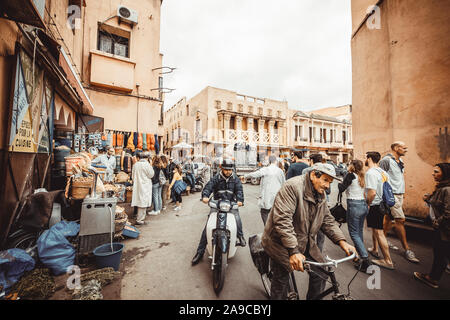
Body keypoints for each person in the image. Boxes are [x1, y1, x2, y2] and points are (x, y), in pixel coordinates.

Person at [262, 163, 355, 300]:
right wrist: (293, 251)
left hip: (304, 240)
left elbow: (327, 219)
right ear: (313, 175)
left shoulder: (320, 193)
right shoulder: (292, 187)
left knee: (322, 273)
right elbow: (283, 221)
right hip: (280, 242)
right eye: (325, 180)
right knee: (281, 279)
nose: (328, 186)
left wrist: (342, 242)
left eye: (330, 182)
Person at [191, 159, 246, 266]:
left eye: (230, 170)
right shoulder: (216, 178)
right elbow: (208, 187)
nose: (228, 172)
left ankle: (240, 236)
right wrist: (205, 196)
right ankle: (200, 252)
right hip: (217, 205)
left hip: (231, 205)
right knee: (208, 227)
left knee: (237, 219)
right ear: (222, 168)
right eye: (226, 169)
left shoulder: (236, 179)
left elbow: (239, 190)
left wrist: (240, 200)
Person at [379, 142, 420, 263]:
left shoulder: (400, 161)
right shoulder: (386, 160)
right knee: (400, 220)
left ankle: (383, 240)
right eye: (404, 148)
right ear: (396, 148)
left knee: (387, 218)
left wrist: (402, 192)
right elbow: (380, 177)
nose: (406, 150)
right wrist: (386, 194)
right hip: (391, 194)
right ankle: (407, 249)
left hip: (399, 194)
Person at [414, 163, 450, 288]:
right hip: (441, 229)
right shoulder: (442, 187)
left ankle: (433, 278)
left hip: (444, 230)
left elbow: (448, 213)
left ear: (445, 173)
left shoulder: (447, 189)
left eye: (436, 172)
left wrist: (437, 223)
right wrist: (429, 198)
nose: (433, 174)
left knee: (440, 254)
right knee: (440, 253)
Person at [338, 160, 371, 272]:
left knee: (353, 233)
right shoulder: (362, 176)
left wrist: (340, 183)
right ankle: (358, 255)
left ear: (352, 166)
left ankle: (366, 260)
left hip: (354, 205)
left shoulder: (350, 175)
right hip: (363, 205)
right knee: (359, 232)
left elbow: (341, 188)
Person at [365, 151, 395, 270]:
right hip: (382, 204)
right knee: (375, 229)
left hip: (375, 205)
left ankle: (388, 260)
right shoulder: (382, 172)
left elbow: (371, 192)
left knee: (379, 232)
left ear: (370, 158)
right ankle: (374, 249)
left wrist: (367, 204)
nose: (365, 160)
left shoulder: (370, 173)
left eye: (366, 158)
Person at [242, 155, 285, 225]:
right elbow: (284, 183)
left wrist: (245, 176)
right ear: (275, 161)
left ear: (269, 161)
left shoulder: (266, 169)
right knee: (275, 214)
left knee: (264, 212)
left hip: (267, 196)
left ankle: (267, 228)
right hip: (277, 196)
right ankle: (273, 229)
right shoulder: (280, 171)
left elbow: (255, 174)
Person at [131, 152, 154, 225]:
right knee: (143, 203)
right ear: (147, 158)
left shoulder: (135, 165)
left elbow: (133, 176)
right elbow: (151, 175)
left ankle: (141, 219)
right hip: (145, 186)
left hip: (138, 185)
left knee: (140, 202)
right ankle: (140, 220)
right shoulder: (147, 165)